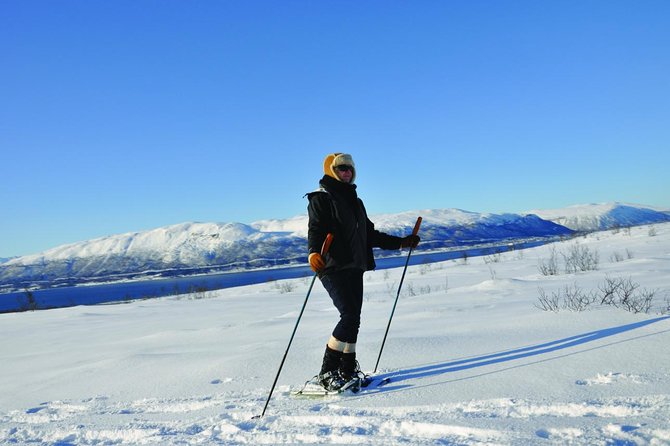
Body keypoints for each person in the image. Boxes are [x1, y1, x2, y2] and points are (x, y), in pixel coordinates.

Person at [306, 153, 420, 391]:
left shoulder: (355, 202)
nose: (346, 172)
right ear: (331, 171)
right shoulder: (321, 198)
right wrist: (313, 253)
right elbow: (316, 228)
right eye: (341, 168)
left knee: (354, 319)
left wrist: (402, 243)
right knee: (348, 316)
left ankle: (347, 369)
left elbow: (370, 235)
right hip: (332, 266)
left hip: (355, 267)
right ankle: (327, 373)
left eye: (349, 168)